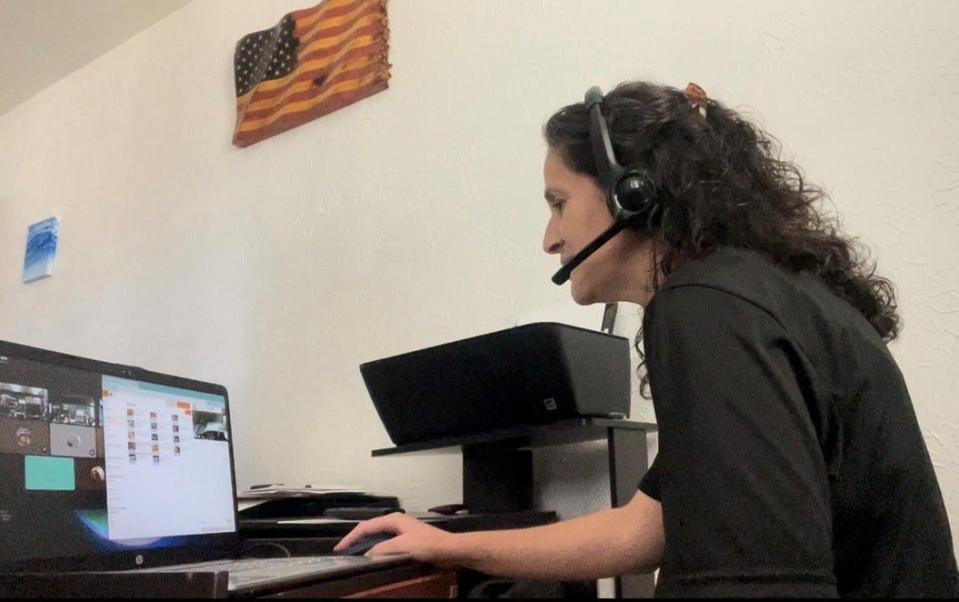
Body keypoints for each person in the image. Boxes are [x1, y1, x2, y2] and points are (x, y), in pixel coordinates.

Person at [335, 81, 959, 597]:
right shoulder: (753, 295)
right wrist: (450, 545)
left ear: (634, 194)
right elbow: (643, 528)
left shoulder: (705, 307)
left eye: (558, 203)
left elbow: (759, 586)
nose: (550, 240)